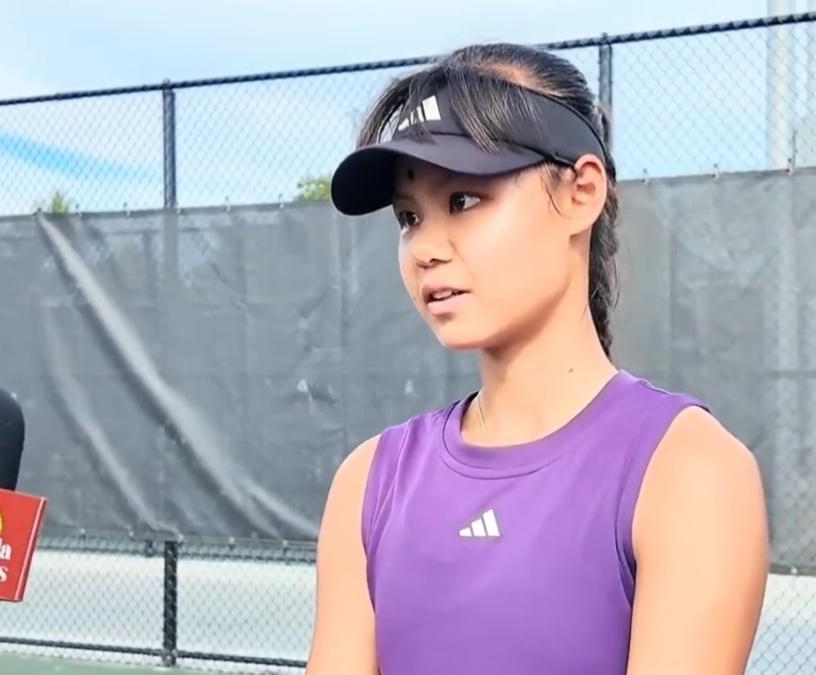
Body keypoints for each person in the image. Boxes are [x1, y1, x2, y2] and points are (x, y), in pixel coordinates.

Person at [306, 42, 769, 675]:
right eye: (409, 217)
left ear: (581, 193)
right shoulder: (369, 482)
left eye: (463, 200)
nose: (425, 248)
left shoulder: (688, 470)